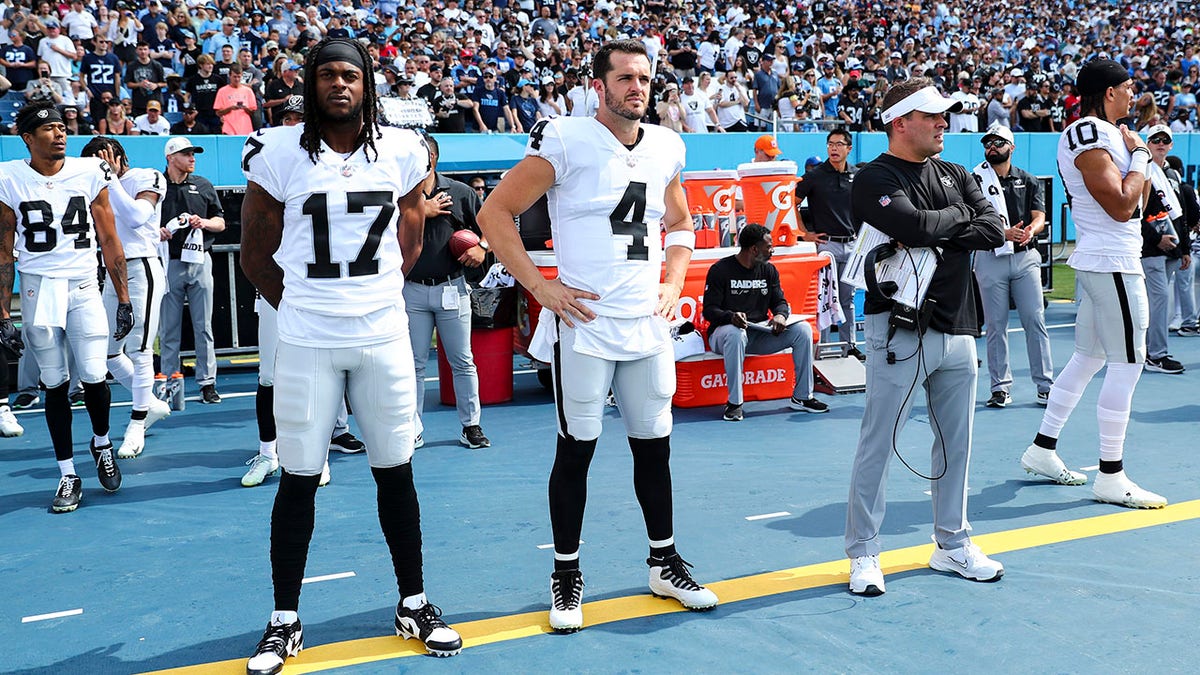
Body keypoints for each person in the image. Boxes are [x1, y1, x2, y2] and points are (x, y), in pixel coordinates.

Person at [477, 38, 719, 634]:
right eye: (625, 78)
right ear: (600, 86)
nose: (637, 87)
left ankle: (663, 561)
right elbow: (493, 214)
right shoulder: (565, 137)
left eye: (645, 77)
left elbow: (682, 222)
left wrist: (674, 282)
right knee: (576, 450)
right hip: (584, 326)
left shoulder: (666, 144)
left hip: (645, 323)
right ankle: (565, 573)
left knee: (654, 447)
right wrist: (541, 288)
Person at [240, 37, 462, 671]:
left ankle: (414, 603)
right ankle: (284, 619)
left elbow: (412, 235)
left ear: (368, 84)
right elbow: (256, 254)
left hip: (382, 334)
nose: (340, 85)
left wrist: (373, 297)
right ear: (310, 85)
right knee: (300, 478)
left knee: (395, 472)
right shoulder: (277, 150)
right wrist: (311, 307)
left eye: (351, 75)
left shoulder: (401, 148)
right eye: (327, 75)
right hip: (308, 338)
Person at [844, 78, 1006, 596]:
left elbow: (994, 229)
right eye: (933, 116)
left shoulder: (955, 171)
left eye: (944, 115)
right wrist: (955, 219)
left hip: (958, 324)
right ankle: (865, 552)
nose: (944, 123)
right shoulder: (873, 177)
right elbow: (916, 229)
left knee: (957, 443)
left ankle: (952, 543)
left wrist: (938, 224)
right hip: (898, 326)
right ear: (900, 121)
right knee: (879, 441)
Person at [1019, 59, 1166, 509]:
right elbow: (1123, 206)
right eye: (1126, 87)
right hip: (1112, 261)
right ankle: (1110, 474)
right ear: (1107, 93)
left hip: (1108, 257)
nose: (1132, 94)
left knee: (1088, 357)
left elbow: (1136, 202)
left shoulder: (1107, 134)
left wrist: (1137, 159)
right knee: (1128, 363)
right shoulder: (1088, 132)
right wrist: (1141, 156)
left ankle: (1042, 449)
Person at [0, 101, 134, 513]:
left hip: (81, 284)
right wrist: (3, 313)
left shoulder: (90, 171)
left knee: (94, 374)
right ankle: (67, 473)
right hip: (40, 287)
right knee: (54, 383)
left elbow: (109, 236)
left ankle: (101, 441)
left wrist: (124, 297)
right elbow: (4, 249)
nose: (60, 133)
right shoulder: (9, 177)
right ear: (27, 137)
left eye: (62, 126)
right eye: (49, 128)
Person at [241, 92, 365, 490]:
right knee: (269, 376)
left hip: (319, 289)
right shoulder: (272, 164)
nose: (295, 125)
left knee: (320, 376)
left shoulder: (332, 167)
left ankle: (320, 454)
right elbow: (255, 246)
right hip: (280, 289)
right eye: (289, 118)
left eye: (301, 117)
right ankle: (267, 452)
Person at [79, 136, 172, 459]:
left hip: (141, 266)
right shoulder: (94, 187)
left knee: (141, 348)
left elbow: (135, 216)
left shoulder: (147, 176)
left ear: (119, 157)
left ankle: (138, 420)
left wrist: (110, 178)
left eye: (102, 160)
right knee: (107, 352)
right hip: (111, 272)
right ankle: (152, 402)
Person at [404, 133, 491, 450]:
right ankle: (412, 427)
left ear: (433, 158)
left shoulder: (460, 192)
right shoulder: (402, 194)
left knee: (462, 360)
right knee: (412, 364)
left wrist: (482, 247)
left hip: (452, 287)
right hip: (412, 289)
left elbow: (493, 225)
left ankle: (471, 425)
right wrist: (418, 211)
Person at [702, 223, 827, 421]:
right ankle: (735, 403)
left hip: (758, 333)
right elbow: (709, 310)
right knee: (735, 333)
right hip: (724, 334)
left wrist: (780, 315)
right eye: (769, 246)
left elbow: (780, 302)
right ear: (754, 249)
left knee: (803, 330)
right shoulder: (720, 269)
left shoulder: (769, 271)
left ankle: (802, 397)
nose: (772, 250)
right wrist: (731, 316)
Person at [971, 123, 1054, 407]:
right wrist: (1000, 234)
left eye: (998, 142)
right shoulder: (974, 179)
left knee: (1035, 320)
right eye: (988, 143)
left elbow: (1040, 216)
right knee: (995, 325)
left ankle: (1045, 384)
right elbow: (969, 220)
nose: (992, 147)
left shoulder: (1028, 179)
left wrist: (1031, 230)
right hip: (990, 257)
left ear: (1012, 147)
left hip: (1024, 256)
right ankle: (1000, 388)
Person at [158, 137, 224, 405]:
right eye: (186, 154)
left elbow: (220, 222)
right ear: (170, 157)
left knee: (203, 326)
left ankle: (207, 382)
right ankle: (170, 381)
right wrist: (157, 231)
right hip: (169, 262)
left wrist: (204, 222)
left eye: (192, 153)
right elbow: (141, 221)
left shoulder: (203, 185)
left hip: (199, 261)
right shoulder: (157, 186)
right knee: (169, 327)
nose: (192, 158)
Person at [795, 128, 862, 360]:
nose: (834, 148)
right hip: (827, 246)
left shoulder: (857, 175)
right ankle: (821, 349)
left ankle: (849, 346)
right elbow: (790, 203)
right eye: (830, 144)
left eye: (839, 144)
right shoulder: (814, 176)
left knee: (847, 299)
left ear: (848, 148)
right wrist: (805, 234)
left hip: (852, 245)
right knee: (824, 299)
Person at [1138, 124, 1189, 375]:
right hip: (1152, 249)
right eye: (1155, 139)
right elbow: (1136, 213)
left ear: (1170, 145)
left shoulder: (1171, 175)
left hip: (1172, 248)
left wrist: (1185, 249)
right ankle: (1156, 355)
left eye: (1164, 140)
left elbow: (1182, 214)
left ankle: (1147, 351)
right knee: (1159, 300)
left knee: (1156, 302)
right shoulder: (1143, 172)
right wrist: (1156, 240)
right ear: (1147, 144)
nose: (1160, 143)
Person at [213, 62, 257, 135]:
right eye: (234, 76)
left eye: (239, 77)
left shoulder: (248, 91)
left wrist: (245, 108)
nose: (237, 79)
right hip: (229, 128)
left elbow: (253, 112)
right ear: (229, 76)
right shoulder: (222, 91)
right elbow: (218, 112)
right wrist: (230, 108)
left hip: (245, 128)